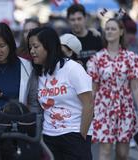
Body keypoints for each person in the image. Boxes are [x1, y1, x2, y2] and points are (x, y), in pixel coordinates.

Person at [27, 26, 93, 160]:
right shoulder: (37, 73)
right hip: (48, 137)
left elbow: (89, 104)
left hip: (74, 135)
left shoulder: (72, 68)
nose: (32, 51)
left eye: (36, 46)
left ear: (49, 46)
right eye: (30, 47)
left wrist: (82, 136)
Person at [87, 17, 138, 160]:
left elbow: (136, 88)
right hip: (103, 108)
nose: (109, 31)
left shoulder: (131, 58)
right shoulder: (96, 59)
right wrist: (87, 112)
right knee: (105, 152)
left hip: (125, 108)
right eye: (107, 28)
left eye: (113, 28)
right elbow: (93, 89)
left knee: (122, 154)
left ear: (121, 32)